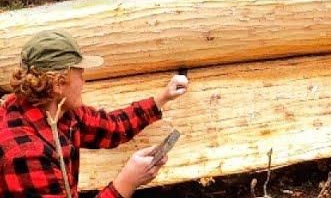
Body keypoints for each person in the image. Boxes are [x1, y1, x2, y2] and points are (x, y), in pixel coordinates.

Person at [0, 30, 189, 198]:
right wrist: (127, 182)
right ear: (58, 83)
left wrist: (162, 98)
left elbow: (113, 127)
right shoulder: (25, 154)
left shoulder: (60, 111)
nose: (84, 82)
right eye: (80, 75)